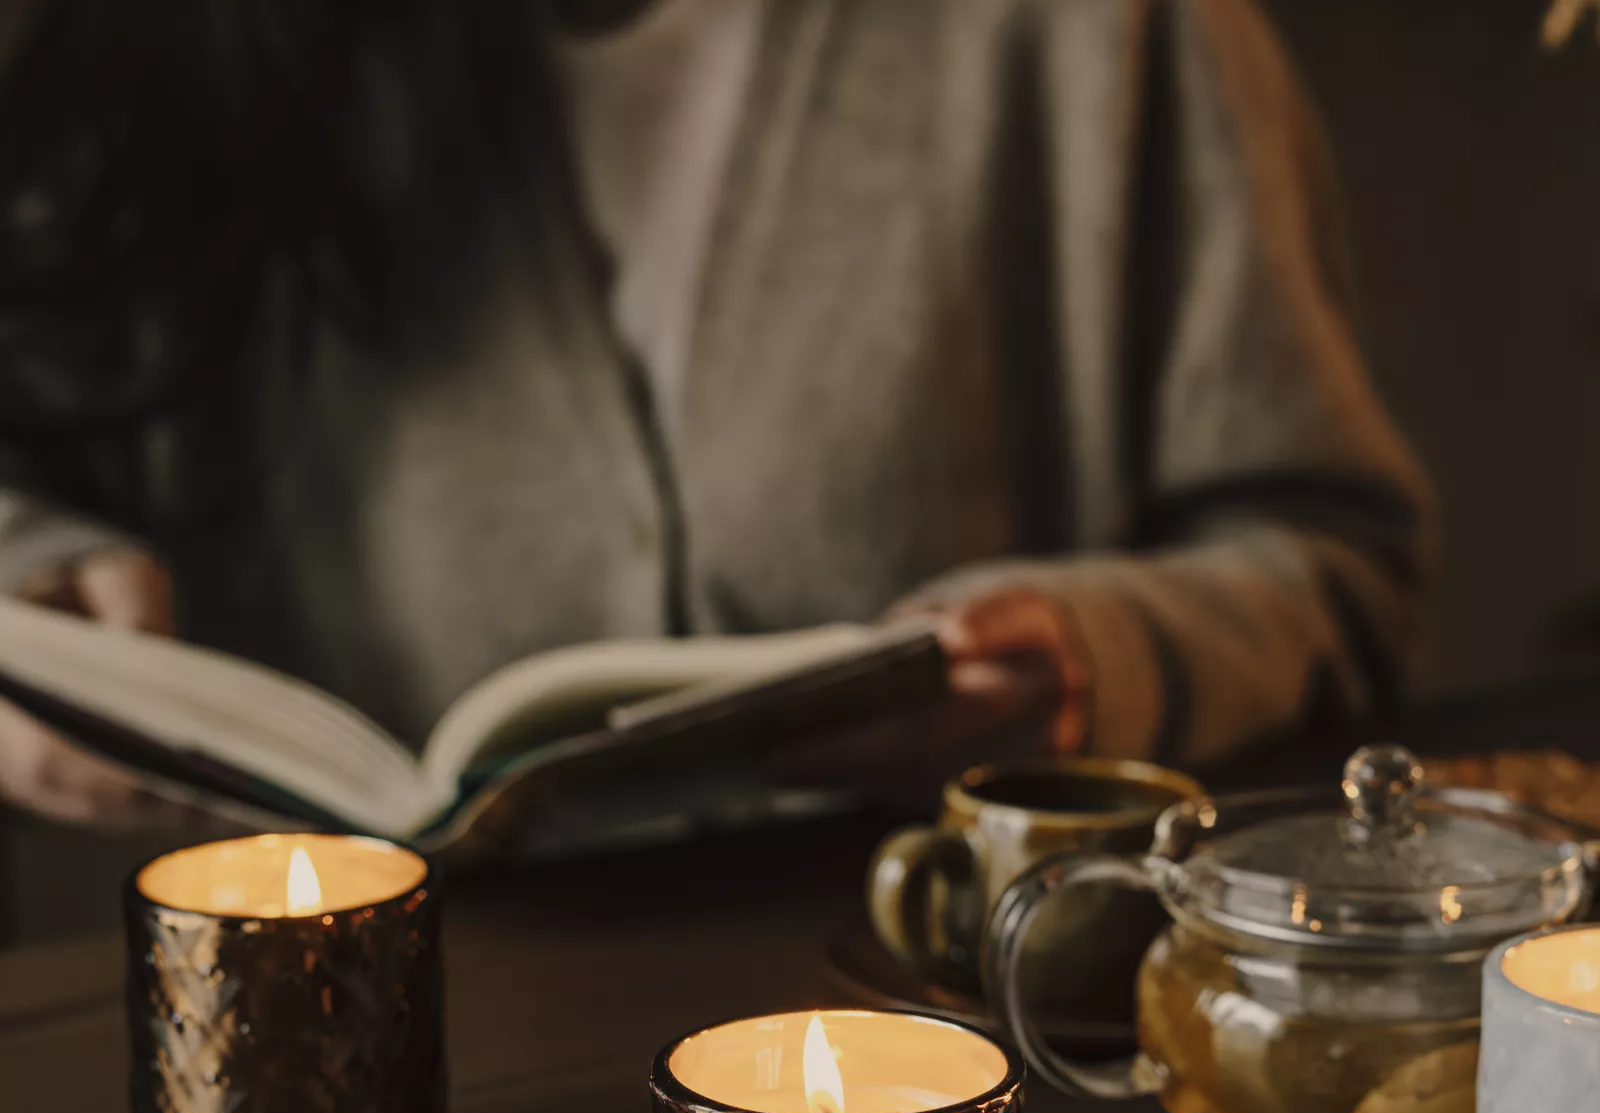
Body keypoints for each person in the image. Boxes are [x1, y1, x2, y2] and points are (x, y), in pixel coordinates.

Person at [0, 0, 1429, 829]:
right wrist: (29, 600)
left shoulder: (1095, 32)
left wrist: (1099, 660)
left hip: (961, 1087)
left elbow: (1336, 561)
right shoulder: (180, 56)